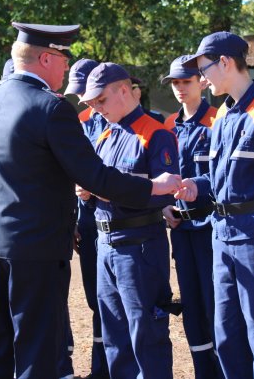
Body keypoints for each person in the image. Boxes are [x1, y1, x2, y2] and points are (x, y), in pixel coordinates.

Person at [0, 22, 181, 379]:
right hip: (35, 249)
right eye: (64, 59)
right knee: (37, 350)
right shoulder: (50, 107)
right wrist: (154, 189)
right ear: (45, 59)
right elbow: (95, 176)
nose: (66, 68)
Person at [175, 31, 254, 379]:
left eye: (204, 69)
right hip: (222, 238)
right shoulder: (224, 113)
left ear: (226, 63)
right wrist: (195, 187)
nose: (202, 79)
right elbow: (220, 179)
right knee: (228, 336)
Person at [78, 62, 179, 379]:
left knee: (146, 335)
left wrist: (110, 192)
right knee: (115, 338)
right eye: (92, 102)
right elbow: (98, 186)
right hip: (105, 244)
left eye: (101, 100)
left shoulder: (156, 133)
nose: (96, 108)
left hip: (139, 247)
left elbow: (167, 192)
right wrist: (87, 193)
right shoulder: (105, 134)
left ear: (124, 90)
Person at [160, 55, 223, 379]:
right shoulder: (168, 125)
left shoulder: (218, 120)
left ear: (201, 82)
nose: (180, 88)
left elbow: (225, 177)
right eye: (175, 82)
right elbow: (160, 175)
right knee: (193, 306)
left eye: (186, 81)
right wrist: (163, 207)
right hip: (181, 230)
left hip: (211, 228)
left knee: (217, 305)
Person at [63, 57, 110, 379]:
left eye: (86, 92)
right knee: (95, 298)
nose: (83, 99)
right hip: (87, 221)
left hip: (113, 219)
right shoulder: (80, 122)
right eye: (79, 93)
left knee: (113, 300)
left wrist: (93, 186)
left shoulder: (115, 120)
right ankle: (99, 367)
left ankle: (110, 367)